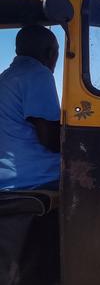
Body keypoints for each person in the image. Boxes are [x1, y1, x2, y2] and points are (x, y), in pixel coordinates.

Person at [0, 26, 61, 191]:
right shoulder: (38, 73)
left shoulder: (6, 78)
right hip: (36, 179)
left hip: (7, 179)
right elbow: (50, 139)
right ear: (51, 54)